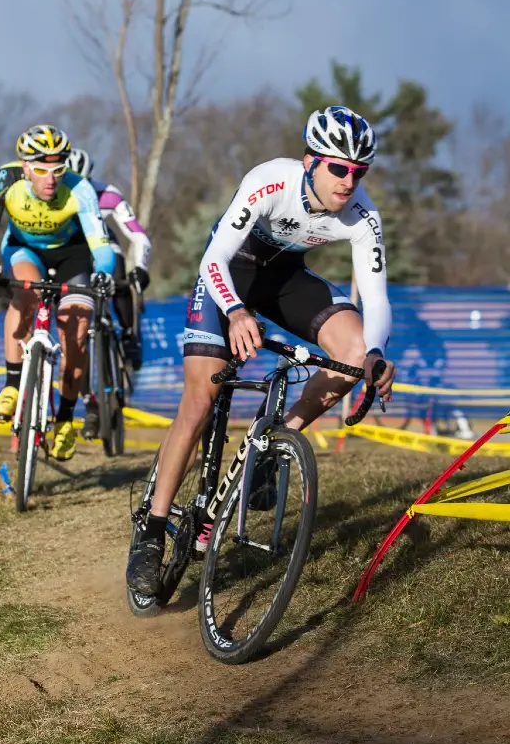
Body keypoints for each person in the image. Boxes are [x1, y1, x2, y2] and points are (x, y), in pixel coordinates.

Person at [126, 105, 396, 595]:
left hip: (283, 281)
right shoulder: (272, 181)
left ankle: (273, 445)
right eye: (339, 168)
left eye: (360, 171)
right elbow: (215, 257)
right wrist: (234, 311)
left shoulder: (362, 216)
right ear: (311, 161)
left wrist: (375, 352)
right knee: (200, 402)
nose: (349, 181)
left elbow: (376, 297)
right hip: (227, 277)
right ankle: (151, 529)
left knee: (354, 352)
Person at [0, 124, 116, 461]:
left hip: (73, 255)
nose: (50, 179)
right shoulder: (4, 180)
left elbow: (101, 245)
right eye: (40, 170)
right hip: (24, 250)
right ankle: (11, 384)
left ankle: (65, 417)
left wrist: (104, 273)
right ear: (24, 168)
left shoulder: (80, 189)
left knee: (75, 332)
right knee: (24, 295)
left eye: (58, 170)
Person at [65, 147, 152, 439]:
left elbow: (137, 235)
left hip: (106, 247)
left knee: (120, 278)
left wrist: (139, 267)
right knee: (79, 334)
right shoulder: (56, 197)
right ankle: (91, 406)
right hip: (77, 254)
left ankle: (129, 335)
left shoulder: (109, 193)